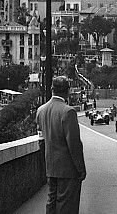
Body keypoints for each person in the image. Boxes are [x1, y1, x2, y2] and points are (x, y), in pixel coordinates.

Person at [36, 76, 86, 214]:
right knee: (67, 206)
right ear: (67, 91)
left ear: (52, 89)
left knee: (51, 203)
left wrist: (46, 164)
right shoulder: (68, 112)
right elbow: (74, 144)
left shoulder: (41, 110)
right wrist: (81, 169)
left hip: (51, 167)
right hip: (68, 170)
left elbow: (41, 141)